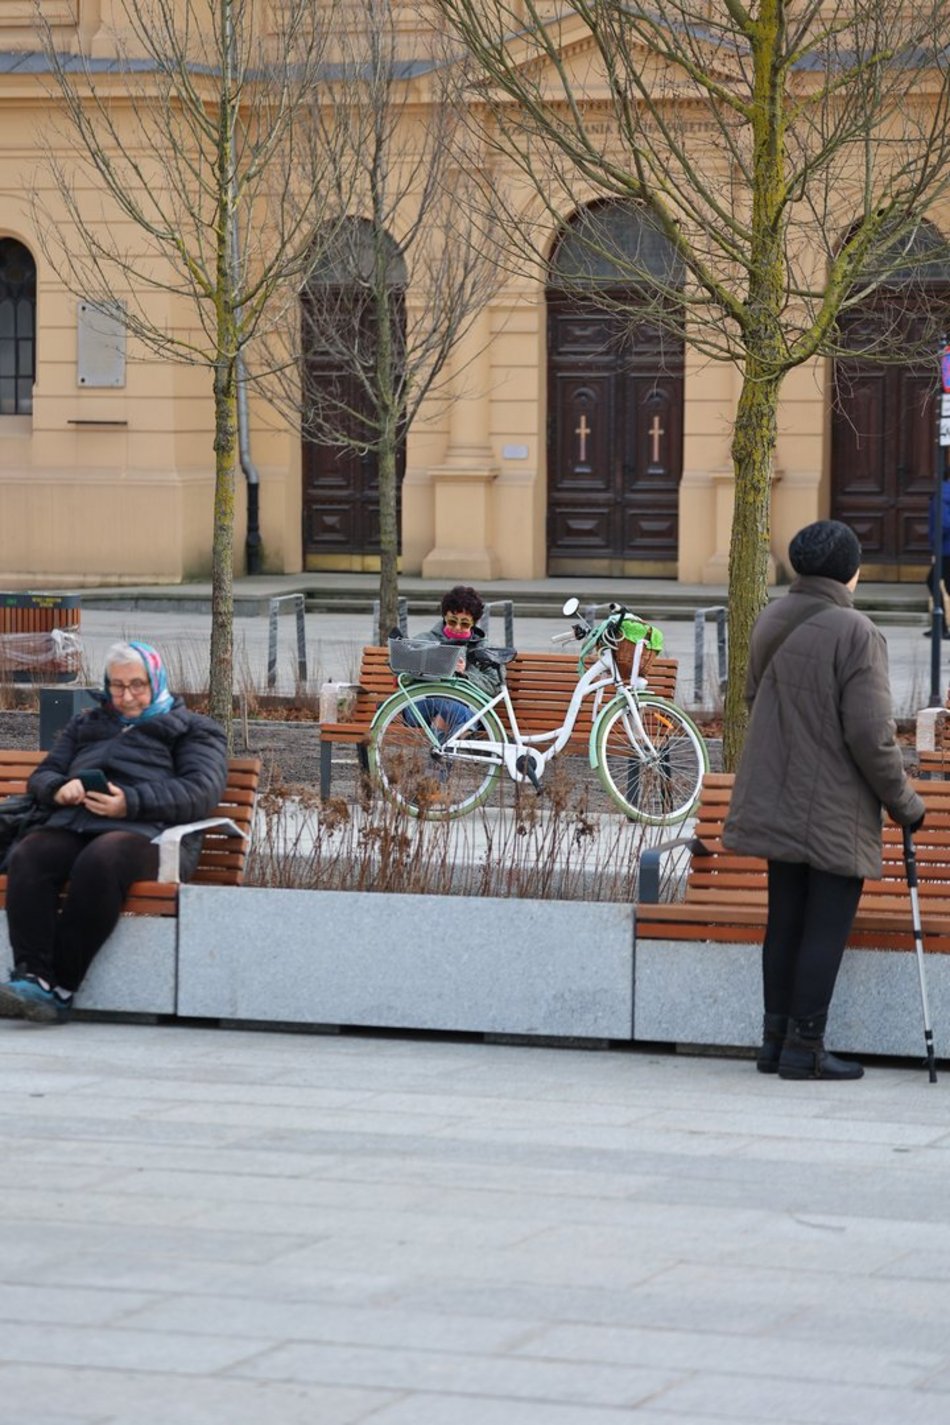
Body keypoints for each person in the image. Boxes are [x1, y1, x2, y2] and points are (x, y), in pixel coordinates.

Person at [723, 520, 924, 1081]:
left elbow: (752, 699)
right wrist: (905, 803)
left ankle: (773, 1041)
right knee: (824, 927)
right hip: (832, 806)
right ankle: (804, 1049)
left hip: (776, 795)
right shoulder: (856, 631)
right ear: (850, 572)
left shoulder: (769, 618)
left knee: (784, 920)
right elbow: (870, 736)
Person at [0, 641, 228, 1024]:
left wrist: (131, 803)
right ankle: (33, 977)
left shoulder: (193, 729)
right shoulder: (89, 723)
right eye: (117, 686)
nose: (126, 696)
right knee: (30, 853)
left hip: (152, 836)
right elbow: (45, 774)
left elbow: (199, 791)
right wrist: (60, 788)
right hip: (78, 822)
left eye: (137, 685)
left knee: (102, 858)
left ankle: (60, 987)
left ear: (156, 682)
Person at [408, 585, 504, 737]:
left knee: (448, 713)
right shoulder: (425, 640)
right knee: (452, 707)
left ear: (474, 623)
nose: (457, 627)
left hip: (463, 707)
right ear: (444, 617)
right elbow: (400, 666)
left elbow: (495, 686)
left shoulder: (484, 649)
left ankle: (441, 756)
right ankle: (463, 743)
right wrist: (431, 666)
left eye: (464, 623)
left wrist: (466, 673)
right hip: (422, 705)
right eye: (452, 622)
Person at [924, 467, 950, 638]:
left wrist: (935, 541)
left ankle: (940, 627)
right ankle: (940, 627)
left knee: (933, 581)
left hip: (946, 548)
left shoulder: (942, 494)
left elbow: (944, 522)